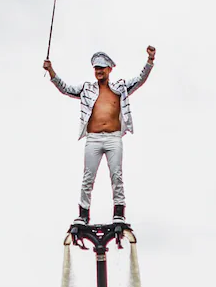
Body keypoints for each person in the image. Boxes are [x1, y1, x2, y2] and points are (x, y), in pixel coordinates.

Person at [42, 47, 156, 223]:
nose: (99, 71)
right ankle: (83, 214)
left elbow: (140, 80)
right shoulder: (87, 89)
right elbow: (65, 88)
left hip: (113, 137)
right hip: (93, 138)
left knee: (117, 175)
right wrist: (50, 70)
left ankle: (119, 212)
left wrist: (150, 60)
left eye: (102, 68)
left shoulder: (120, 88)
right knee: (88, 177)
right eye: (96, 68)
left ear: (109, 69)